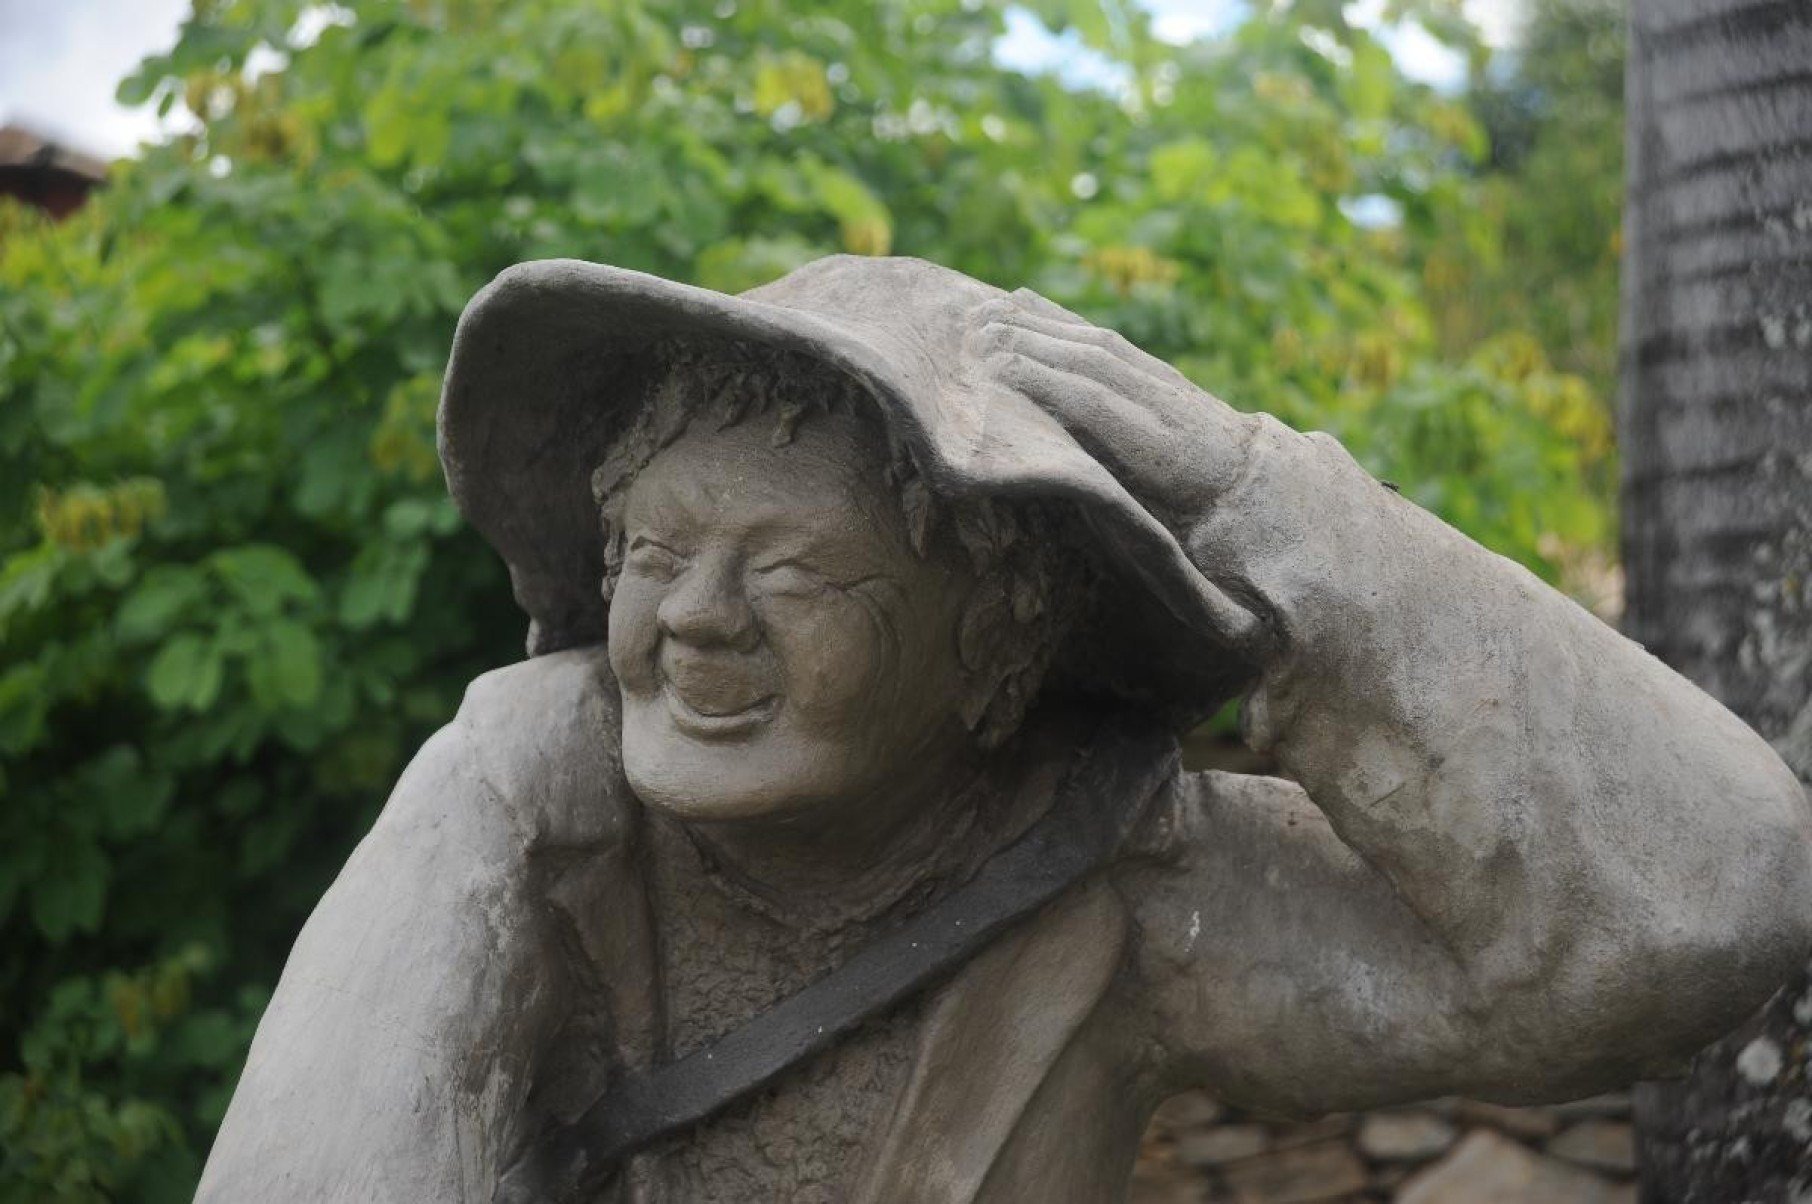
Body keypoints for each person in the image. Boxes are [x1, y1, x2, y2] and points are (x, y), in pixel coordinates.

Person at [197, 255, 1812, 1203]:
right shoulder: (526, 794)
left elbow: (1716, 899)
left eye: (795, 567)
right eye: (656, 554)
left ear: (1000, 634)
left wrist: (1276, 504)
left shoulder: (1118, 873)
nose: (689, 621)